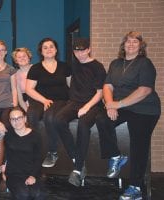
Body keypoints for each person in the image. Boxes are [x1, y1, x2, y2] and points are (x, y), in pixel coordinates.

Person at [95, 31, 161, 200]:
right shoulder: (116, 63)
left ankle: (136, 188)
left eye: (135, 42)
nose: (131, 44)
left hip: (145, 109)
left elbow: (145, 90)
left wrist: (118, 104)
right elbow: (108, 86)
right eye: (128, 41)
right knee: (102, 119)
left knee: (139, 145)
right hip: (122, 105)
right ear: (123, 45)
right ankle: (116, 156)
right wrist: (110, 105)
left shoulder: (145, 63)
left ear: (141, 46)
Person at [53, 38, 107, 187]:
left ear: (89, 49)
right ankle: (77, 158)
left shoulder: (98, 67)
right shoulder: (74, 63)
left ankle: (77, 170)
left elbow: (100, 93)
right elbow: (68, 80)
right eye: (77, 51)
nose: (80, 54)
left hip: (93, 104)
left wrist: (87, 107)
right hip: (74, 102)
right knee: (58, 120)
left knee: (83, 124)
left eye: (82, 50)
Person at [26, 37, 71, 168]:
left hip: (60, 100)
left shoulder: (65, 66)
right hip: (41, 99)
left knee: (49, 117)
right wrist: (44, 100)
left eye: (51, 46)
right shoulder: (35, 68)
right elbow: (29, 89)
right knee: (32, 114)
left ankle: (52, 152)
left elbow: (71, 86)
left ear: (56, 50)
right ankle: (34, 148)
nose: (48, 49)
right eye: (45, 47)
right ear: (41, 51)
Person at [4, 106, 46, 200]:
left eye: (19, 118)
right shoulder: (7, 136)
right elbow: (4, 154)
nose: (16, 121)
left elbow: (39, 158)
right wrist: (3, 170)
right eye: (13, 119)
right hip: (14, 175)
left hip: (32, 172)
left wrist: (33, 176)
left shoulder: (36, 136)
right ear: (10, 121)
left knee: (38, 195)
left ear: (25, 118)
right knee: (23, 195)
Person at [12, 47, 33, 112]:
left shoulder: (36, 69)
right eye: (19, 57)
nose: (22, 58)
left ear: (29, 58)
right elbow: (20, 99)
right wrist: (27, 111)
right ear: (16, 61)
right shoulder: (16, 75)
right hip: (25, 103)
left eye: (24, 56)